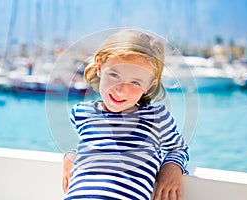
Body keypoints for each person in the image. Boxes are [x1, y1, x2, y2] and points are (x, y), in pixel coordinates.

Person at [62, 29, 189, 200]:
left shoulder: (156, 119)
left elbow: (178, 148)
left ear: (150, 86)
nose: (121, 90)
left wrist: (172, 167)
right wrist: (70, 156)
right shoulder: (82, 113)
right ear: (100, 67)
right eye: (114, 75)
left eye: (135, 82)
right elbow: (95, 146)